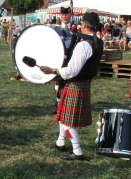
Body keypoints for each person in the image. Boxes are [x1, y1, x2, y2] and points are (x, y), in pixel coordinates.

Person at [40, 12, 104, 161]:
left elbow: (72, 71)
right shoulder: (98, 42)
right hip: (84, 84)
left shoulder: (83, 45)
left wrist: (53, 70)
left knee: (66, 121)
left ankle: (77, 151)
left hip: (75, 84)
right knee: (64, 117)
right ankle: (60, 142)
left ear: (85, 25)